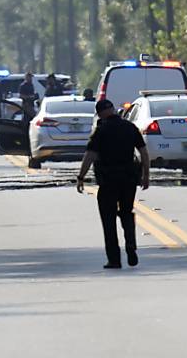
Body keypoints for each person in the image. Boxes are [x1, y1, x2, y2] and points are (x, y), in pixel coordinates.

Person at [76, 99, 150, 269]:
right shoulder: (130, 127)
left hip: (108, 179)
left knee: (108, 219)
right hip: (129, 178)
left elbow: (90, 155)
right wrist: (146, 175)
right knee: (126, 212)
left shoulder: (101, 130)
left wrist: (81, 177)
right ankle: (130, 244)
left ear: (100, 113)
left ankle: (114, 259)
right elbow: (144, 152)